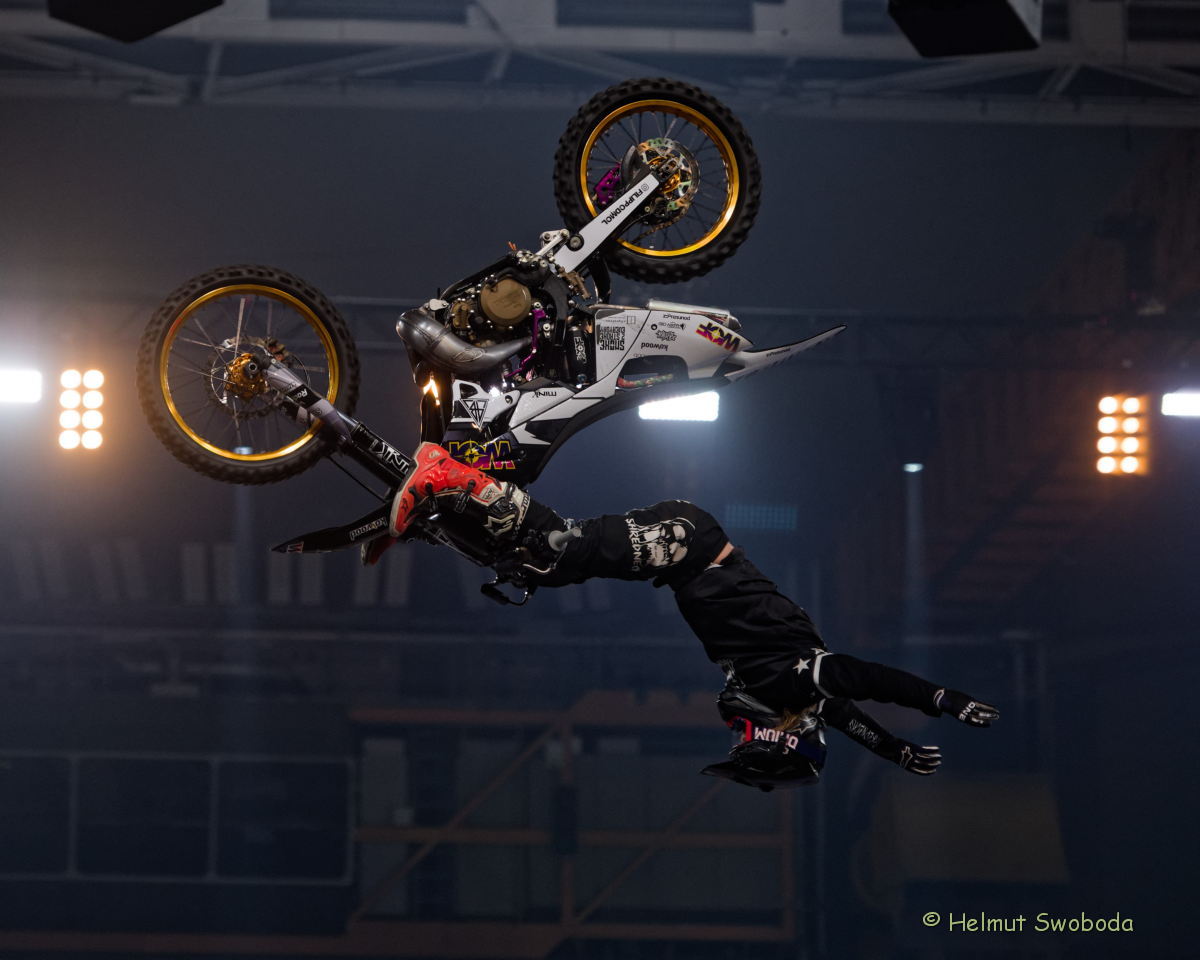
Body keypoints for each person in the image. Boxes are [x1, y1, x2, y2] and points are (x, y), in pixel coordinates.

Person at [365, 443, 999, 792]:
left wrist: (897, 752)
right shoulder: (802, 680)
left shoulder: (794, 697)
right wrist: (946, 700)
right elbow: (871, 681)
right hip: (690, 544)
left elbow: (853, 721)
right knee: (560, 547)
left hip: (679, 559)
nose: (738, 729)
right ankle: (451, 478)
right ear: (783, 733)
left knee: (536, 569)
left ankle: (437, 514)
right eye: (748, 738)